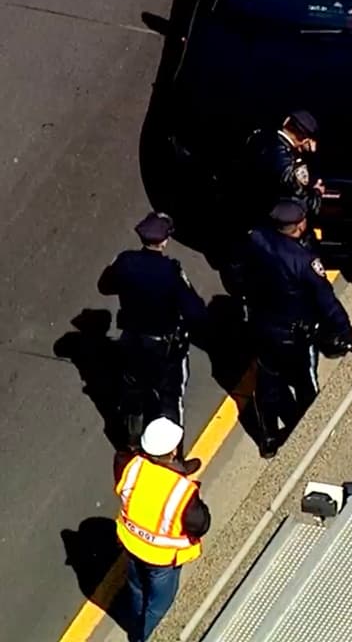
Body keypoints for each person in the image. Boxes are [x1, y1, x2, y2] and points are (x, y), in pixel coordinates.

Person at [238, 199, 352, 458]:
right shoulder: (303, 261)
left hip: (263, 327)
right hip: (295, 334)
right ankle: (310, 434)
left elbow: (242, 273)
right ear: (299, 226)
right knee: (306, 383)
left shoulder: (256, 238)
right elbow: (327, 301)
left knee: (267, 381)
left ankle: (267, 439)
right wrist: (350, 336)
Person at [98, 212, 208, 449]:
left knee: (133, 392)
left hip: (133, 340)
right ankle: (173, 455)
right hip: (164, 346)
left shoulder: (126, 261)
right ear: (165, 240)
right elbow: (195, 311)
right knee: (170, 399)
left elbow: (105, 287)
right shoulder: (170, 271)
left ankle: (132, 442)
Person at [115, 418, 211, 641]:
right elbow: (201, 524)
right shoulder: (183, 492)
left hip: (131, 546)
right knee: (157, 606)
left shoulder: (131, 466)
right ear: (174, 450)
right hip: (161, 561)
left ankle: (136, 621)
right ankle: (140, 637)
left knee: (137, 589)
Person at [242, 110, 324, 227]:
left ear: (286, 121)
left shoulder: (257, 139)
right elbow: (306, 204)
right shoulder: (287, 160)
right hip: (268, 228)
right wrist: (317, 193)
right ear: (305, 140)